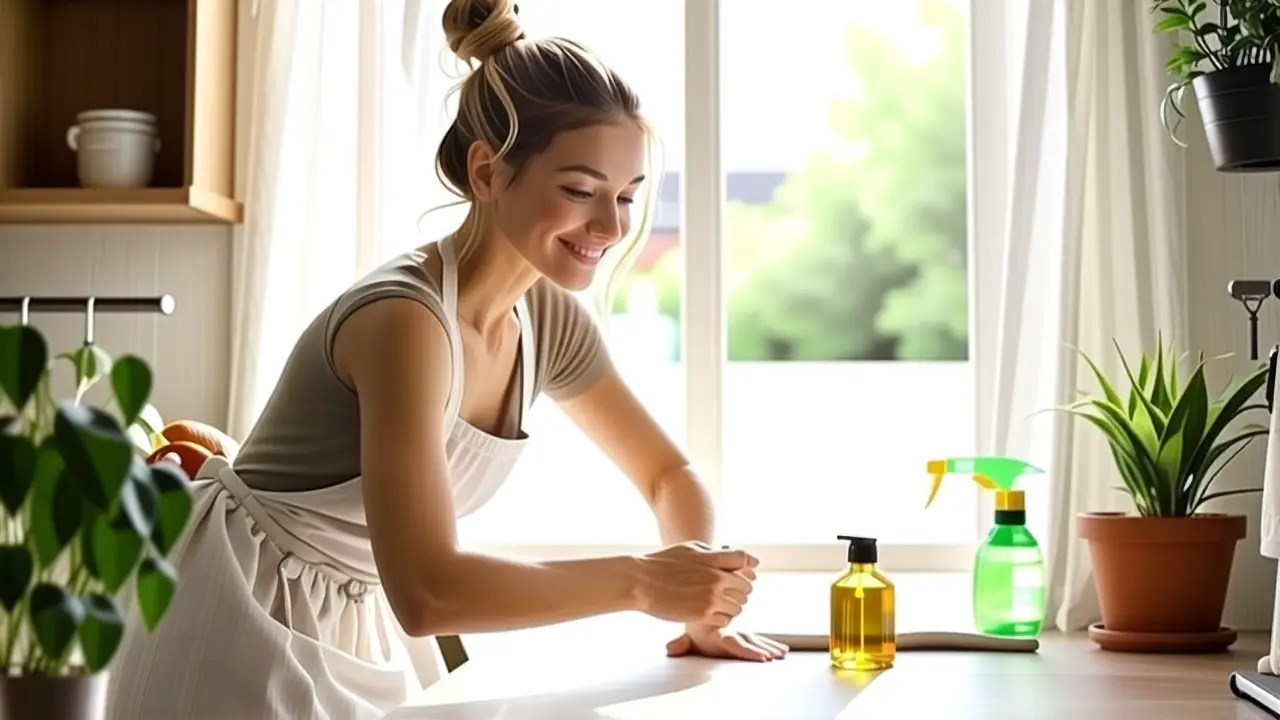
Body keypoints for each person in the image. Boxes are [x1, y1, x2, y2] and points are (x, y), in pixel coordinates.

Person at [105, 1, 787, 718]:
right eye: (580, 191)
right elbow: (428, 592)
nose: (612, 226)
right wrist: (645, 583)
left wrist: (702, 600)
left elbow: (666, 472)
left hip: (350, 617)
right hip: (240, 614)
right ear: (487, 172)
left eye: (625, 195)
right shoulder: (404, 321)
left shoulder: (546, 315)